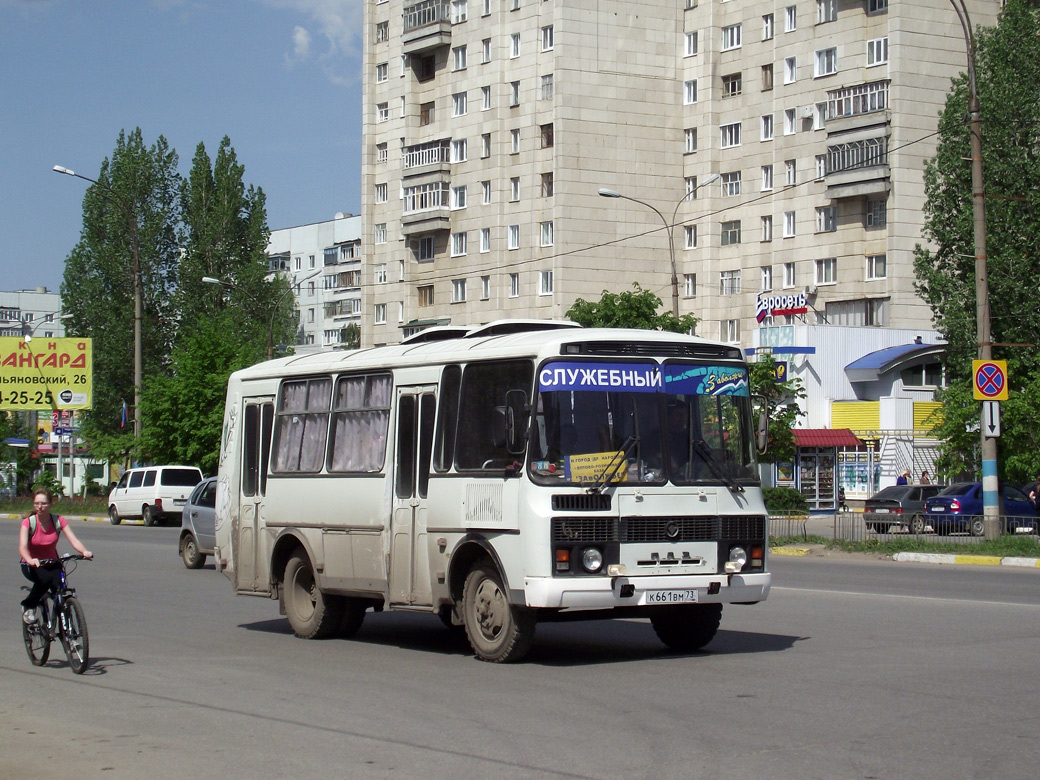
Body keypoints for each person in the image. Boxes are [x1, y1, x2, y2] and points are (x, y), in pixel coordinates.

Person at [18, 488, 92, 625]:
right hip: (31, 564)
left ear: (50, 504)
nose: (40, 507)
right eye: (37, 503)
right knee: (45, 579)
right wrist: (30, 560)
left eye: (44, 503)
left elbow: (73, 540)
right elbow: (22, 547)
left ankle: (68, 632)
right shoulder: (28, 523)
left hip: (52, 562)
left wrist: (84, 552)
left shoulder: (58, 521)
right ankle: (28, 605)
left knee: (60, 588)